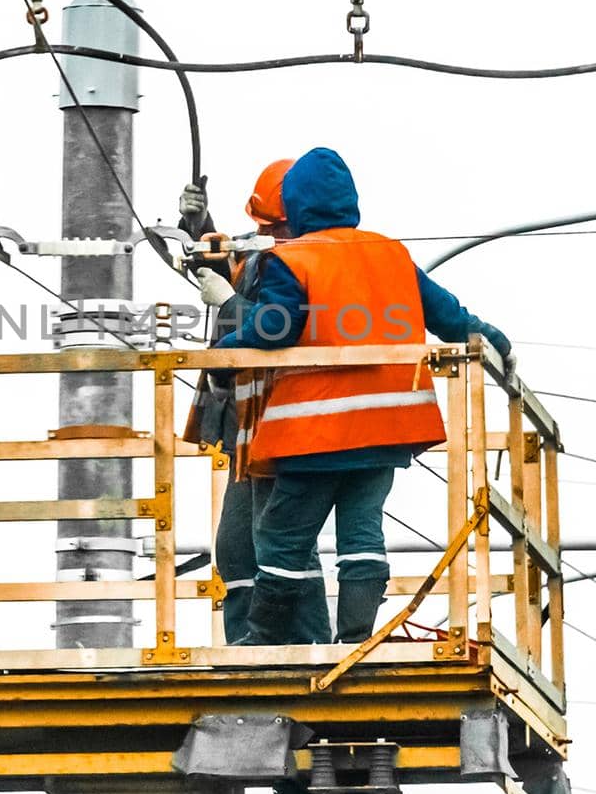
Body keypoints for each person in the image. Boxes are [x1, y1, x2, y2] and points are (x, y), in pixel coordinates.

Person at [215, 147, 512, 647]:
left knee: (281, 539)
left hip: (314, 434)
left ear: (297, 207)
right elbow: (451, 318)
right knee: (361, 535)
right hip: (389, 430)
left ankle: (262, 642)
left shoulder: (292, 258)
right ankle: (355, 640)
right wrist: (497, 342)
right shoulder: (391, 254)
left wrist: (223, 355)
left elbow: (274, 329)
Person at [178, 163, 331, 645]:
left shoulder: (309, 263)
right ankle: (254, 643)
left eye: (272, 225)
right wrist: (200, 228)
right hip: (252, 423)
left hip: (281, 421)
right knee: (244, 546)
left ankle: (298, 644)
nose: (265, 233)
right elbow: (239, 273)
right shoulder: (273, 256)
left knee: (279, 542)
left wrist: (226, 303)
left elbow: (283, 332)